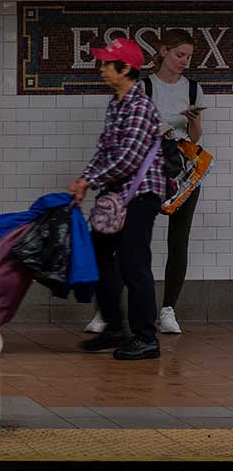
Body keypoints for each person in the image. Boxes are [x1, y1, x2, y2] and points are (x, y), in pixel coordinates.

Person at [84, 29, 205, 336]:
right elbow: (130, 138)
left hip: (181, 172)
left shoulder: (193, 89)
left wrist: (193, 124)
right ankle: (108, 312)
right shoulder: (143, 87)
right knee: (125, 245)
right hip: (147, 171)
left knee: (176, 241)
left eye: (189, 56)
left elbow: (193, 138)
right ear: (163, 51)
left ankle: (167, 311)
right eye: (179, 54)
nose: (184, 61)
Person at [69, 38, 169, 361]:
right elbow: (104, 151)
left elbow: (128, 158)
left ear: (125, 69)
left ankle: (146, 338)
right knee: (98, 254)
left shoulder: (140, 106)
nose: (101, 68)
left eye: (106, 63)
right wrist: (85, 179)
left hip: (142, 195)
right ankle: (114, 327)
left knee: (133, 264)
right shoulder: (116, 104)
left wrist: (89, 181)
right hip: (117, 194)